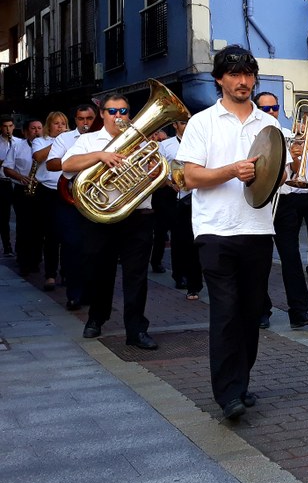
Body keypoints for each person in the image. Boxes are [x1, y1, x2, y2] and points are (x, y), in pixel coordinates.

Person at [177, 46, 281, 421]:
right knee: (225, 312)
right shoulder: (202, 123)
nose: (243, 81)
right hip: (215, 230)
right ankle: (227, 395)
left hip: (257, 229)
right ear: (220, 79)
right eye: (235, 75)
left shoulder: (270, 126)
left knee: (251, 312)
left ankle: (241, 381)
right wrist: (232, 171)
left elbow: (276, 177)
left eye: (248, 74)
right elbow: (190, 177)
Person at [62, 95, 158, 351]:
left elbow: (158, 172)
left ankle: (136, 330)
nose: (119, 115)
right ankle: (97, 316)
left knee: (136, 276)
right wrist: (100, 156)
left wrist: (149, 165)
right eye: (113, 110)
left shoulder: (142, 139)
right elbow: (67, 165)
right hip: (101, 218)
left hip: (138, 216)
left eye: (124, 111)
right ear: (102, 114)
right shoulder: (89, 140)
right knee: (99, 271)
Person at [255, 92, 308, 329]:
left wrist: (295, 155)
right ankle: (261, 311)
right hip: (260, 202)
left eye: (274, 108)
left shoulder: (286, 133)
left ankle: (299, 312)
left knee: (291, 258)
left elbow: (293, 172)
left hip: (284, 202)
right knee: (260, 260)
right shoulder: (252, 134)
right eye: (265, 109)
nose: (271, 112)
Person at [47, 104, 97, 309]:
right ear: (74, 120)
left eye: (89, 118)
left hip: (98, 199)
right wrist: (78, 160)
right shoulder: (65, 139)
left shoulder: (104, 138)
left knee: (94, 247)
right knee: (72, 245)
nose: (85, 123)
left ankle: (91, 293)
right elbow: (51, 164)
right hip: (71, 198)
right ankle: (74, 294)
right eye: (80, 119)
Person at [158, 119, 204, 299]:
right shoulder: (166, 145)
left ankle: (195, 283)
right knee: (179, 240)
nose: (187, 126)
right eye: (183, 123)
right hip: (174, 197)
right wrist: (170, 183)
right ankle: (180, 275)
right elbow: (159, 170)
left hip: (198, 196)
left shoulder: (201, 142)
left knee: (195, 241)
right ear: (176, 125)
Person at [32, 111, 69, 290]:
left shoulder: (71, 139)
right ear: (49, 125)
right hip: (47, 191)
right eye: (56, 123)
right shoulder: (41, 140)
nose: (60, 126)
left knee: (67, 234)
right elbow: (39, 157)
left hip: (66, 191)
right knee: (51, 235)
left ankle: (66, 272)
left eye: (63, 123)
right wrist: (58, 141)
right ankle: (50, 274)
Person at [4, 118, 43, 276]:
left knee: (39, 228)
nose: (37, 131)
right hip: (22, 190)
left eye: (39, 128)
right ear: (26, 132)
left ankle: (36, 260)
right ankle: (23, 260)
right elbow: (7, 168)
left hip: (41, 190)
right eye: (33, 128)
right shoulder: (17, 146)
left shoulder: (48, 146)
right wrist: (21, 177)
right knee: (24, 227)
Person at [148, 127, 176, 274]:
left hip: (163, 191)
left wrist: (170, 182)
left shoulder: (161, 147)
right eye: (153, 134)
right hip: (150, 193)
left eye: (157, 135)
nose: (155, 137)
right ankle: (155, 261)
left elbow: (165, 169)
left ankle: (156, 261)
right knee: (157, 230)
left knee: (161, 229)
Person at [0, 115, 19, 255]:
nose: (8, 129)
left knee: (22, 216)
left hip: (17, 183)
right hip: (2, 183)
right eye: (5, 126)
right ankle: (7, 247)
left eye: (10, 126)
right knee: (4, 217)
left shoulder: (19, 142)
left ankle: (21, 247)